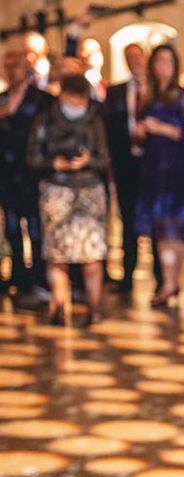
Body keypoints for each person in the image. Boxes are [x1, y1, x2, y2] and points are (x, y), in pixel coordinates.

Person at [26, 74, 110, 325]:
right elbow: (32, 156)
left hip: (88, 192)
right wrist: (54, 163)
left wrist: (88, 162)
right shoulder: (45, 119)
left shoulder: (94, 120)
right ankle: (60, 307)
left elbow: (104, 158)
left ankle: (94, 310)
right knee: (57, 255)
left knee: (92, 256)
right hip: (56, 191)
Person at [134, 44, 184, 307]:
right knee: (159, 229)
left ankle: (171, 282)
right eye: (158, 62)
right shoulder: (148, 96)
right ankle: (169, 282)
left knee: (175, 229)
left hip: (177, 169)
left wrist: (159, 128)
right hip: (153, 168)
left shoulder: (182, 96)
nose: (162, 67)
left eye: (168, 62)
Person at [0, 44, 54, 305]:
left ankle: (39, 278)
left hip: (33, 175)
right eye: (6, 66)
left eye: (16, 65)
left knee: (36, 229)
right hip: (6, 175)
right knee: (12, 228)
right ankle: (18, 275)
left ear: (27, 68)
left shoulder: (41, 99)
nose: (11, 70)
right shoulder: (2, 99)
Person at [102, 42, 148, 292]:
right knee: (127, 220)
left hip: (153, 165)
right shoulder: (116, 91)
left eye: (137, 56)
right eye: (128, 57)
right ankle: (127, 275)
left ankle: (162, 280)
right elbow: (109, 128)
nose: (134, 61)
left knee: (153, 219)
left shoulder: (156, 90)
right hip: (125, 164)